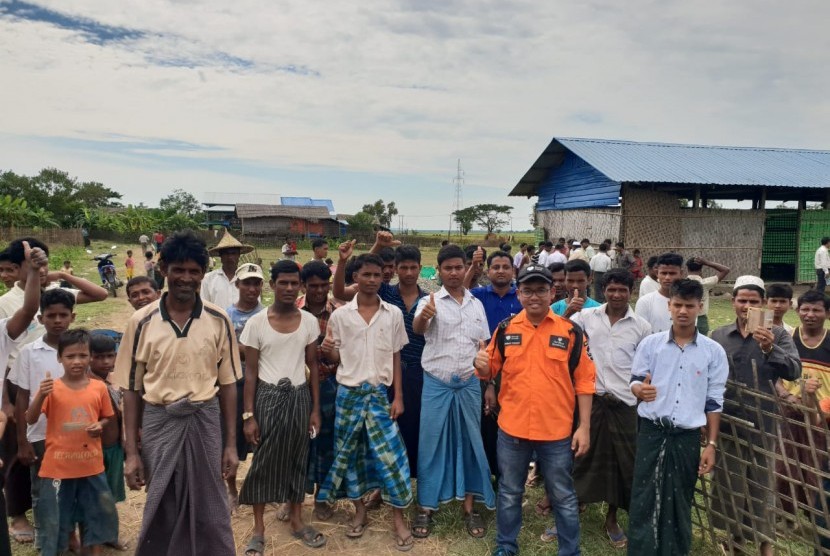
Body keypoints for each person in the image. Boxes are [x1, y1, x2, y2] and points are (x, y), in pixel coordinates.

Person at [112, 230, 242, 556]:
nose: (186, 278)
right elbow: (130, 390)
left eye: (194, 272)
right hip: (160, 420)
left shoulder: (217, 319)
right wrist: (131, 453)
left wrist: (230, 444)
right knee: (162, 501)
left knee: (211, 507)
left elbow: (227, 384)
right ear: (164, 269)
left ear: (202, 274)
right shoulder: (141, 322)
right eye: (178, 270)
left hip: (205, 418)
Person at [474, 264, 595, 556]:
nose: (535, 296)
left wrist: (584, 427)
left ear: (552, 292)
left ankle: (570, 551)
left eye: (541, 289)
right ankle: (505, 546)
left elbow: (585, 381)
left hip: (556, 432)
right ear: (520, 293)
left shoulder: (571, 332)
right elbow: (489, 368)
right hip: (512, 430)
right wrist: (481, 366)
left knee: (563, 496)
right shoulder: (506, 329)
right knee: (510, 492)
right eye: (528, 290)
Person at [317, 253, 413, 551]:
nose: (372, 280)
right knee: (350, 457)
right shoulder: (340, 316)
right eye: (366, 275)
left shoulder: (393, 313)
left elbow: (396, 356)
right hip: (348, 395)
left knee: (393, 458)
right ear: (354, 278)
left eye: (376, 275)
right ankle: (359, 512)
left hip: (379, 396)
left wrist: (397, 396)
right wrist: (327, 350)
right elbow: (334, 359)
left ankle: (399, 519)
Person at [627, 279, 728, 556]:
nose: (683, 311)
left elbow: (714, 400)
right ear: (669, 306)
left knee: (679, 498)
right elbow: (635, 379)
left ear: (700, 307)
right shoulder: (651, 344)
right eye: (678, 305)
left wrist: (711, 445)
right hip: (652, 431)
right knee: (644, 495)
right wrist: (640, 390)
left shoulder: (713, 352)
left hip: (686, 436)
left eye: (689, 305)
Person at [710, 276, 801, 556]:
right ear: (733, 302)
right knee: (730, 481)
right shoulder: (720, 335)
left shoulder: (780, 333)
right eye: (742, 300)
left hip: (764, 420)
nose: (747, 306)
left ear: (763, 303)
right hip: (728, 420)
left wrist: (769, 348)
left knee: (762, 484)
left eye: (753, 301)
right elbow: (711, 377)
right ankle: (736, 542)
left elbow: (794, 371)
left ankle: (764, 545)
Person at [238, 260, 325, 552]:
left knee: (299, 457)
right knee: (263, 461)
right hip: (268, 398)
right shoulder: (256, 324)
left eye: (294, 283)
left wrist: (314, 409)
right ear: (272, 285)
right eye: (283, 283)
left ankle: (297, 520)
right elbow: (250, 373)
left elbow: (312, 364)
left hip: (300, 397)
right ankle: (259, 528)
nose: (289, 288)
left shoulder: (309, 322)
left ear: (299, 286)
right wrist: (248, 415)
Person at [332, 234, 426, 499]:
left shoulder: (430, 298)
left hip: (418, 373)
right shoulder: (385, 292)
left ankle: (409, 483)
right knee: (383, 434)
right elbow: (342, 290)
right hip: (385, 375)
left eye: (413, 267)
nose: (408, 272)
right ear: (394, 269)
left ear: (420, 268)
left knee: (412, 428)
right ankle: (379, 486)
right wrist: (363, 252)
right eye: (403, 267)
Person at [412, 245, 495, 539]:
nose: (454, 273)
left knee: (471, 443)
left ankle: (470, 507)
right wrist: (426, 315)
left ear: (465, 269)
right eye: (448, 268)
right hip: (437, 384)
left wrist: (488, 383)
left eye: (459, 267)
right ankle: (426, 506)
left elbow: (483, 347)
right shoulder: (429, 300)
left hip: (470, 385)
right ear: (439, 270)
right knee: (431, 443)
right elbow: (419, 328)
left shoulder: (476, 305)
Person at [570, 269, 652, 549]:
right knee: (581, 457)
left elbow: (645, 369)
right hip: (591, 402)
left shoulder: (641, 327)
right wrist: (568, 311)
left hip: (625, 406)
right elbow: (560, 335)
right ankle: (569, 516)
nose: (616, 295)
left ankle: (612, 519)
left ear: (632, 292)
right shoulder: (585, 318)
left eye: (623, 290)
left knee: (623, 464)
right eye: (611, 289)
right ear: (603, 290)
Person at [26, 329, 118, 556]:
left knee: (95, 515)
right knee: (55, 519)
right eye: (70, 356)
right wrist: (40, 395)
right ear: (59, 358)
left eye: (83, 355)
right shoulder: (51, 388)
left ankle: (92, 551)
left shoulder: (98, 388)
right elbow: (30, 418)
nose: (77, 362)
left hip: (91, 466)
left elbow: (107, 416)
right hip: (58, 468)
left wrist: (101, 425)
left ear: (90, 356)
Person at [11, 288, 76, 551]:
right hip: (39, 434)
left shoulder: (81, 349)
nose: (58, 320)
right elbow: (21, 398)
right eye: (51, 316)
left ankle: (69, 534)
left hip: (75, 433)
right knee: (44, 490)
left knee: (73, 487)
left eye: (63, 315)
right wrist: (22, 441)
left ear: (73, 316)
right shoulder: (29, 352)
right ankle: (46, 540)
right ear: (40, 319)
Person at [0, 241, 47, 552]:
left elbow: (29, 310)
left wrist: (32, 273)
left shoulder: (2, 330)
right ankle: (17, 514)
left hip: (39, 383)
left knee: (35, 445)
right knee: (16, 450)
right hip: (17, 386)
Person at [464, 249, 523, 486]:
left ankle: (506, 479)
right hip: (483, 370)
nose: (500, 271)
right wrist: (472, 268)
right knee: (484, 424)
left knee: (509, 426)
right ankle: (482, 477)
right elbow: (460, 291)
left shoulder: (521, 297)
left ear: (513, 271)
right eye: (495, 267)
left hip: (514, 372)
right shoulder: (477, 295)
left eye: (505, 267)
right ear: (487, 271)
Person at [774, 290, 830, 515]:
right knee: (784, 460)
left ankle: (813, 511)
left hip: (821, 416)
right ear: (797, 311)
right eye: (805, 309)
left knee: (816, 462)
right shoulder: (787, 338)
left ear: (827, 312)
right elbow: (773, 375)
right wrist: (787, 396)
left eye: (816, 310)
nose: (810, 314)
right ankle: (785, 510)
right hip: (788, 409)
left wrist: (823, 407)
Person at [299, 261, 342, 521]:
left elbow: (351, 353)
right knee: (298, 442)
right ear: (304, 286)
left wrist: (333, 357)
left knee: (326, 443)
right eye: (312, 286)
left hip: (330, 386)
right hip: (298, 387)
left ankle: (322, 498)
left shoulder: (340, 313)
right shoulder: (293, 311)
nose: (318, 291)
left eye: (323, 285)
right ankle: (292, 496)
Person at [224, 263, 265, 513]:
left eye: (256, 283)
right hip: (233, 385)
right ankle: (231, 489)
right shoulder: (225, 316)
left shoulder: (267, 315)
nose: (252, 288)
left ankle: (260, 487)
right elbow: (222, 350)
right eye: (247, 283)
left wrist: (240, 347)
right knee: (232, 437)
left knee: (262, 438)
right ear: (237, 285)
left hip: (261, 385)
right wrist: (249, 350)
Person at [88, 334, 128, 551]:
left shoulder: (115, 380)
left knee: (109, 495)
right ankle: (92, 539)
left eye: (110, 356)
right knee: (94, 495)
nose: (105, 362)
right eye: (99, 357)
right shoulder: (88, 383)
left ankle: (109, 535)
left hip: (113, 448)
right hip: (93, 449)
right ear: (89, 358)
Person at [201, 230, 255, 311]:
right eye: (226, 254)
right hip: (216, 322)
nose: (230, 257)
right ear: (220, 256)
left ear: (239, 255)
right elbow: (203, 306)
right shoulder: (208, 279)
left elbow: (255, 307)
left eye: (233, 253)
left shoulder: (247, 279)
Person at [634, 253, 684, 334]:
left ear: (681, 273)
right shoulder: (645, 302)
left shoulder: (688, 303)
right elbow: (639, 334)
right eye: (663, 273)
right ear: (657, 273)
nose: (667, 278)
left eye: (672, 273)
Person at [684, 256, 730, 336]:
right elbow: (726, 270)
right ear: (701, 269)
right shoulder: (705, 283)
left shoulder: (681, 283)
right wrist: (707, 262)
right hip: (701, 319)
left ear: (687, 268)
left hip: (684, 318)